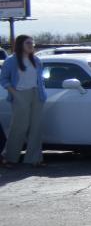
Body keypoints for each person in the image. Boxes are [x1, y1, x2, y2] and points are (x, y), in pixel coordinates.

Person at [1, 35, 48, 167]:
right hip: (20, 94)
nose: (31, 45)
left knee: (36, 128)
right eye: (28, 43)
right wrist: (15, 94)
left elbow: (40, 79)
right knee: (19, 127)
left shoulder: (36, 60)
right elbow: (4, 80)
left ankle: (34, 159)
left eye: (32, 43)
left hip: (36, 94)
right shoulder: (11, 60)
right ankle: (9, 158)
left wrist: (43, 93)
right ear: (20, 44)